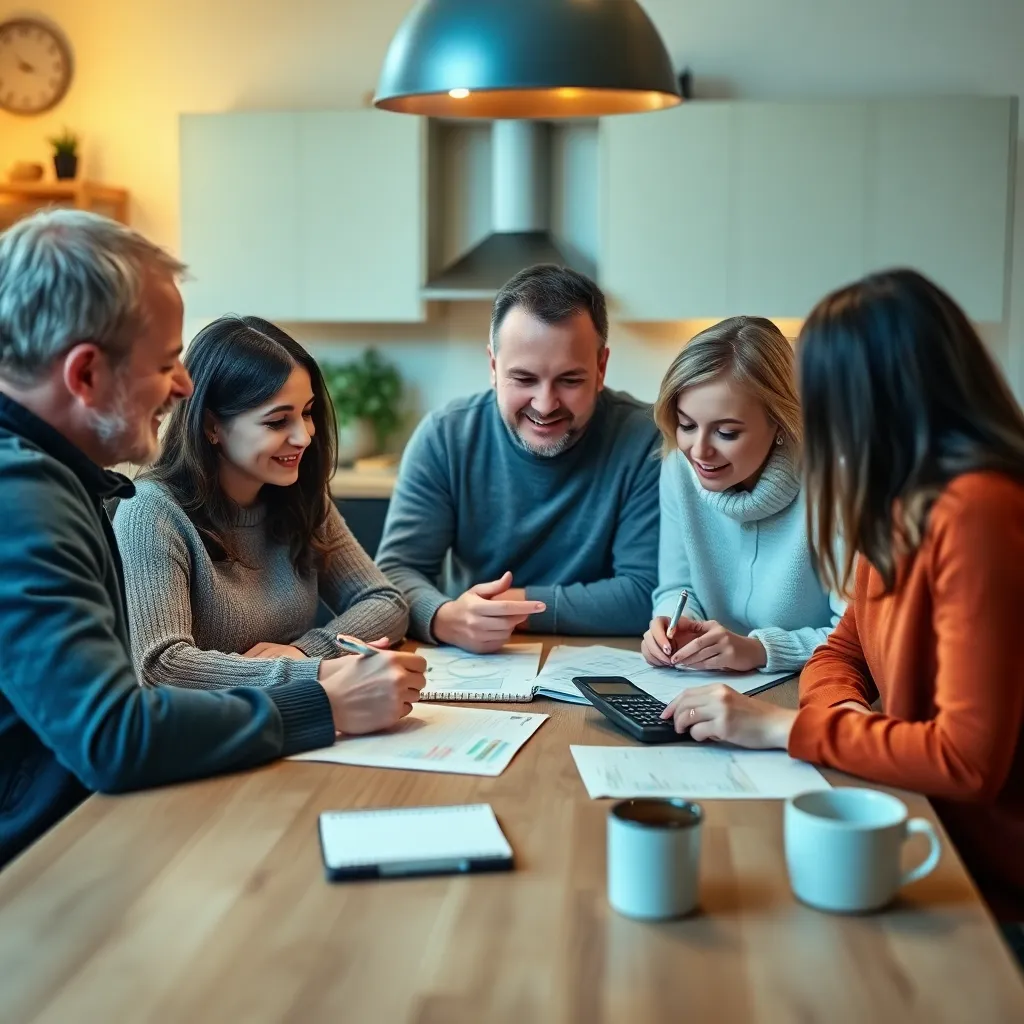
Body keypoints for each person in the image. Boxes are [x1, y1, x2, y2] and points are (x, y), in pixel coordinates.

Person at [0, 210, 425, 869]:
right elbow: (117, 731)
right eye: (167, 362)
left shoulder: (58, 480)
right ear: (84, 376)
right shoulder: (23, 501)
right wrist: (318, 697)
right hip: (45, 863)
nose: (185, 386)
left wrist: (306, 664)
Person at [660, 270, 1024, 946]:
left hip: (984, 884)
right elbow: (842, 649)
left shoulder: (980, 509)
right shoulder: (895, 499)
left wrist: (782, 729)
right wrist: (845, 720)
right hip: (911, 821)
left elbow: (967, 763)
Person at [375, 264, 660, 652]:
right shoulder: (445, 436)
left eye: (569, 380)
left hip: (607, 659)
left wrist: (510, 608)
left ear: (601, 368)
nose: (545, 404)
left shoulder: (646, 440)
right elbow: (394, 571)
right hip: (473, 659)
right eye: (524, 379)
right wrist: (443, 616)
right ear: (493, 367)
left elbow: (646, 594)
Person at [113, 315, 408, 689]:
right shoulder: (150, 512)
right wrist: (303, 674)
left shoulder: (299, 496)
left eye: (307, 412)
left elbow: (386, 602)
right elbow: (161, 668)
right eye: (277, 422)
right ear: (211, 427)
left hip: (288, 720)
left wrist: (307, 652)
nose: (304, 436)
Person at [641, 317, 842, 673]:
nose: (699, 451)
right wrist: (671, 624)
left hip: (807, 687)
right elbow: (677, 586)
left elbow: (857, 636)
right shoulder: (678, 466)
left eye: (727, 433)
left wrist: (758, 650)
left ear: (779, 421)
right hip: (707, 684)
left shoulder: (835, 481)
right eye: (687, 425)